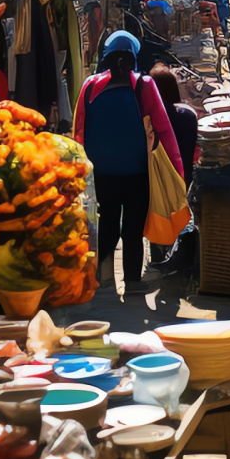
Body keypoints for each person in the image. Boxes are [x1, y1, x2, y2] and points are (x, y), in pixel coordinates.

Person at [74, 31, 184, 295]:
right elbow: (164, 129)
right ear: (135, 56)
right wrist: (178, 169)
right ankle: (133, 281)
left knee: (107, 221)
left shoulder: (89, 86)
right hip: (137, 171)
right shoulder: (144, 85)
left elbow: (78, 131)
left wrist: (79, 170)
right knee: (133, 226)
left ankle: (104, 275)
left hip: (100, 172)